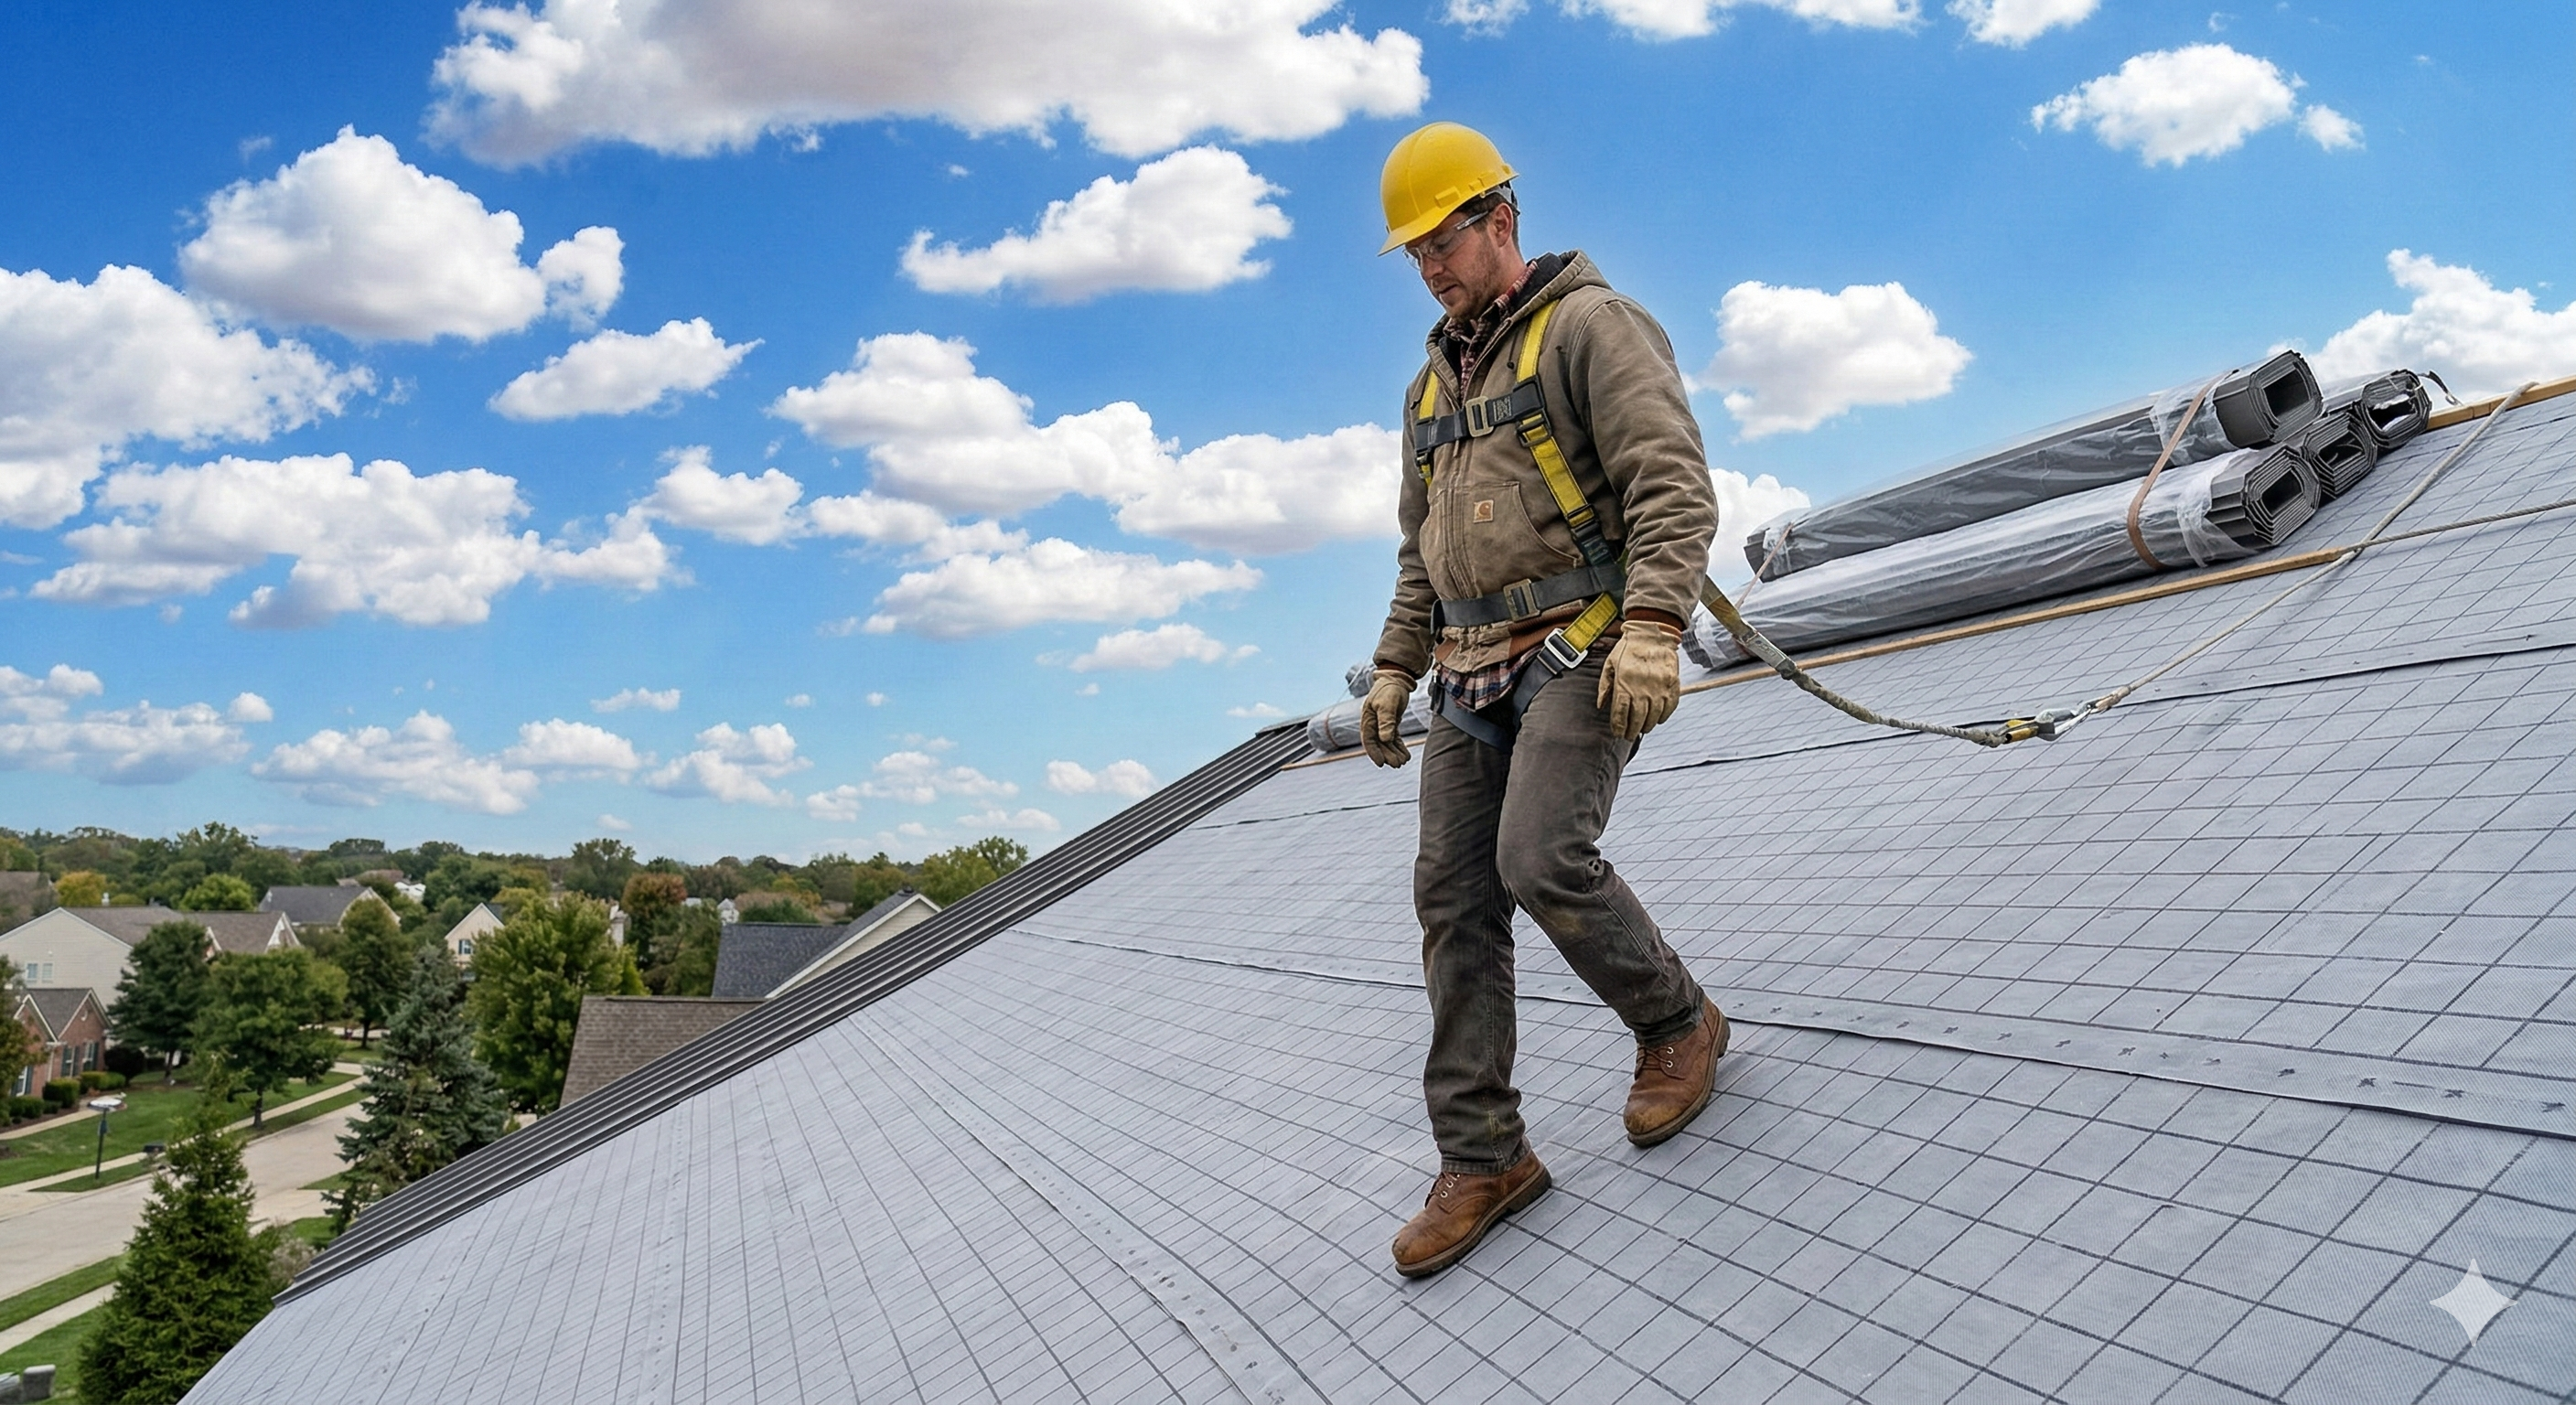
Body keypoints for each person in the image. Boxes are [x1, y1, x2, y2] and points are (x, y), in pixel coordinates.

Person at [1362, 122, 1730, 1279]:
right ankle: (1483, 1159)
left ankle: (1677, 1025)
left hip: (1583, 644)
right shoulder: (1428, 389)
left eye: (1443, 238)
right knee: (1449, 900)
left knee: (1538, 859)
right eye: (1413, 251)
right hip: (1468, 671)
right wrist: (1390, 664)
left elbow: (1668, 482)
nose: (1429, 266)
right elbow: (1420, 553)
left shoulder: (1589, 328)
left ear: (1500, 218)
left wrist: (1657, 626)